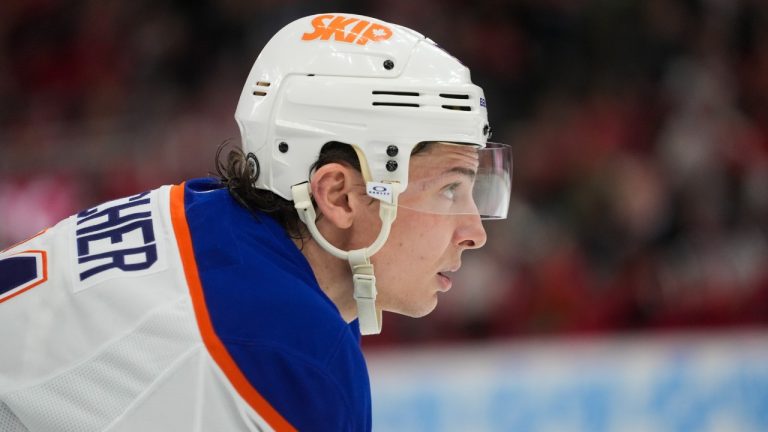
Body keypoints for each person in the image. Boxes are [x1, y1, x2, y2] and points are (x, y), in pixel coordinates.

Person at [0, 13, 512, 432]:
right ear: (338, 194)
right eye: (450, 188)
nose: (475, 230)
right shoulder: (291, 348)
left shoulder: (204, 215)